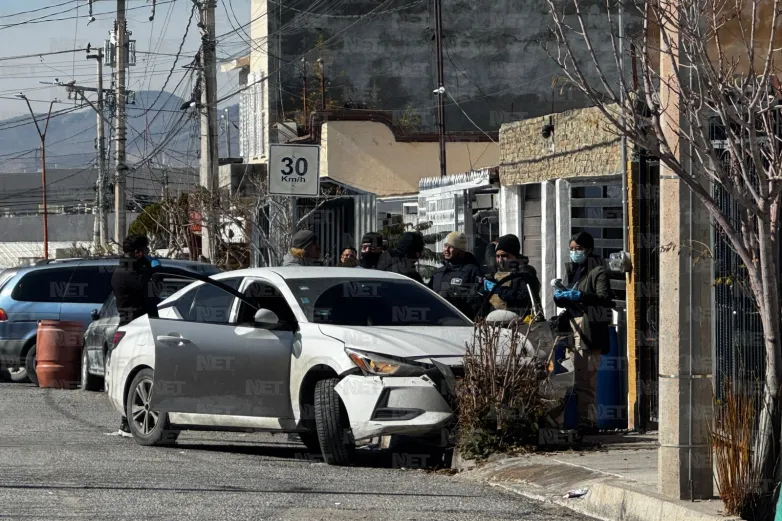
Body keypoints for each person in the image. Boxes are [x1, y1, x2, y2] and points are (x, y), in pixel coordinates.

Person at [553, 231, 615, 432]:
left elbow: (604, 298)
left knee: (586, 379)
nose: (574, 252)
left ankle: (588, 421)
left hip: (588, 328)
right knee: (569, 377)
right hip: (572, 327)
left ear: (588, 250)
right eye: (571, 249)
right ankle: (566, 421)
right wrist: (560, 297)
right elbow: (567, 299)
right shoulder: (573, 270)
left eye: (578, 249)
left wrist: (580, 295)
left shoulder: (598, 271)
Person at [111, 234, 162, 436]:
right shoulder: (133, 274)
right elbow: (152, 292)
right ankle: (129, 422)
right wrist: (156, 272)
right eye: (146, 250)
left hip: (128, 326)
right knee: (141, 374)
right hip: (138, 327)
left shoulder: (121, 270)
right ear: (139, 253)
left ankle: (127, 422)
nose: (148, 253)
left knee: (132, 374)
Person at [480, 234, 543, 321]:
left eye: (504, 256)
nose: (500, 260)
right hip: (494, 323)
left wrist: (500, 290)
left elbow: (524, 297)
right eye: (497, 256)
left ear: (515, 256)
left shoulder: (525, 272)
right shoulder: (496, 272)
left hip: (521, 323)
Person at [428, 231, 482, 319]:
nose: (446, 249)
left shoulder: (472, 271)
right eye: (445, 246)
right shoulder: (438, 272)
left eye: (451, 247)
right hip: (437, 321)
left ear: (461, 250)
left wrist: (455, 296)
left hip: (461, 322)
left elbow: (479, 301)